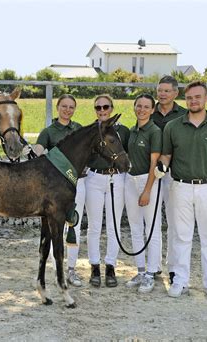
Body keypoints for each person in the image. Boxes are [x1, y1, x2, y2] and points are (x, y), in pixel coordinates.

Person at [155, 81, 207, 300]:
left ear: (206, 98)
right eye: (190, 97)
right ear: (185, 99)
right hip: (180, 186)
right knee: (181, 236)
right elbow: (166, 155)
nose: (194, 101)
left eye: (198, 97)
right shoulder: (173, 126)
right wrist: (161, 167)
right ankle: (180, 281)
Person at [32, 94, 84, 287]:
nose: (67, 110)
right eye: (64, 106)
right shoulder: (49, 131)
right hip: (55, 190)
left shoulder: (78, 129)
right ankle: (57, 268)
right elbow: (38, 149)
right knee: (55, 229)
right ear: (58, 107)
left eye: (71, 107)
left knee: (74, 225)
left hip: (77, 182)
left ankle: (72, 268)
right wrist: (34, 151)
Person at [83, 94, 129, 288]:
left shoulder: (122, 131)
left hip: (116, 178)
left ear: (111, 108)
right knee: (94, 226)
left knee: (113, 225)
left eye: (105, 107)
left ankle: (110, 265)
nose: (102, 111)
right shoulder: (90, 132)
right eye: (98, 108)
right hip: (94, 178)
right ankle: (94, 265)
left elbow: (126, 153)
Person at [124, 94, 163, 293]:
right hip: (130, 181)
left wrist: (147, 190)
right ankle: (140, 270)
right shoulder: (132, 130)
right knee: (135, 227)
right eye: (138, 106)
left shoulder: (154, 131)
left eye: (146, 106)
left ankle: (151, 273)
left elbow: (154, 163)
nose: (141, 109)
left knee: (152, 229)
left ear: (152, 109)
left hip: (148, 182)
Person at [151, 75, 188, 284]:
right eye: (160, 90)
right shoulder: (149, 111)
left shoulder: (183, 114)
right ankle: (154, 266)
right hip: (153, 174)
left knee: (174, 223)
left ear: (175, 93)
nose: (162, 94)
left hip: (175, 175)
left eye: (166, 91)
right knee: (153, 220)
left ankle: (173, 268)